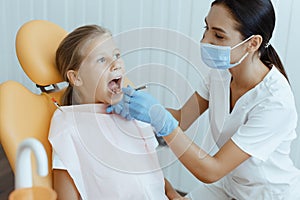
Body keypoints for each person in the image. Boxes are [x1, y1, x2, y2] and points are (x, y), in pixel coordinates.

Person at [107, 0, 300, 199]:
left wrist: (160, 119)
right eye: (206, 28)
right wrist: (142, 108)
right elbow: (182, 119)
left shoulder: (275, 102)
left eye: (218, 35)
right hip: (230, 186)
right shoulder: (221, 74)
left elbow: (212, 170)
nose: (205, 41)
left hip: (268, 194)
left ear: (253, 43)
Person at [48, 25, 173, 199]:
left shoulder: (129, 113)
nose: (116, 64)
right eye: (101, 59)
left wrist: (172, 194)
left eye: (116, 55)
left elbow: (148, 171)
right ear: (76, 77)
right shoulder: (69, 127)